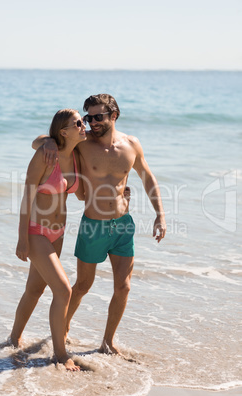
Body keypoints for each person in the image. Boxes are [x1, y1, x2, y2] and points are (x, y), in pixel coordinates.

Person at [32, 94, 166, 355]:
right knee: (83, 285)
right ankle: (63, 328)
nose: (92, 122)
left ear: (113, 115)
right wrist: (48, 141)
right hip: (93, 225)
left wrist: (159, 214)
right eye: (88, 117)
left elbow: (148, 177)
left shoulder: (131, 144)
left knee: (123, 286)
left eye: (98, 117)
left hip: (123, 226)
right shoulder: (83, 144)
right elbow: (40, 140)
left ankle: (107, 341)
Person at [10, 109, 87, 371]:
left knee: (35, 289)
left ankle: (13, 339)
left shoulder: (76, 155)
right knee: (63, 290)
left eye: (84, 121)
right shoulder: (46, 154)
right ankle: (60, 354)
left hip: (58, 233)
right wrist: (22, 239)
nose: (84, 125)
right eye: (78, 123)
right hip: (36, 231)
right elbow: (27, 197)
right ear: (63, 131)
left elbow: (81, 194)